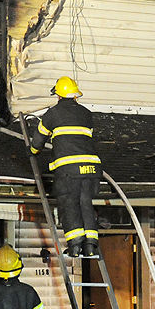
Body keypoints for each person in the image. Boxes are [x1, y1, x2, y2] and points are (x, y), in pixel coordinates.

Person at [29, 76, 102, 258]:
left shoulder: (52, 114)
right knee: (85, 202)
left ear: (59, 96)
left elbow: (38, 140)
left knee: (69, 204)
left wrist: (33, 151)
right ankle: (91, 245)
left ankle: (76, 246)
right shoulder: (86, 114)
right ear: (75, 96)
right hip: (92, 169)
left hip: (69, 170)